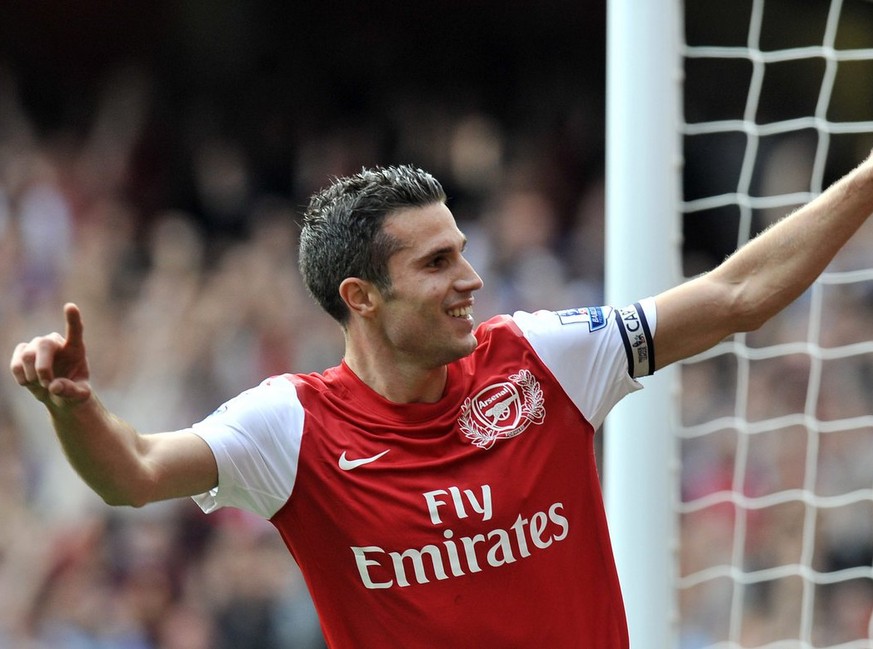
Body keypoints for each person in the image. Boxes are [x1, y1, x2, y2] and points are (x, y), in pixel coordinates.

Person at [10, 159, 873, 648]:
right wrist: (73, 406)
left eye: (460, 250)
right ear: (362, 296)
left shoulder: (544, 357)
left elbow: (735, 294)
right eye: (434, 264)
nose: (470, 279)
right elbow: (133, 474)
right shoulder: (289, 425)